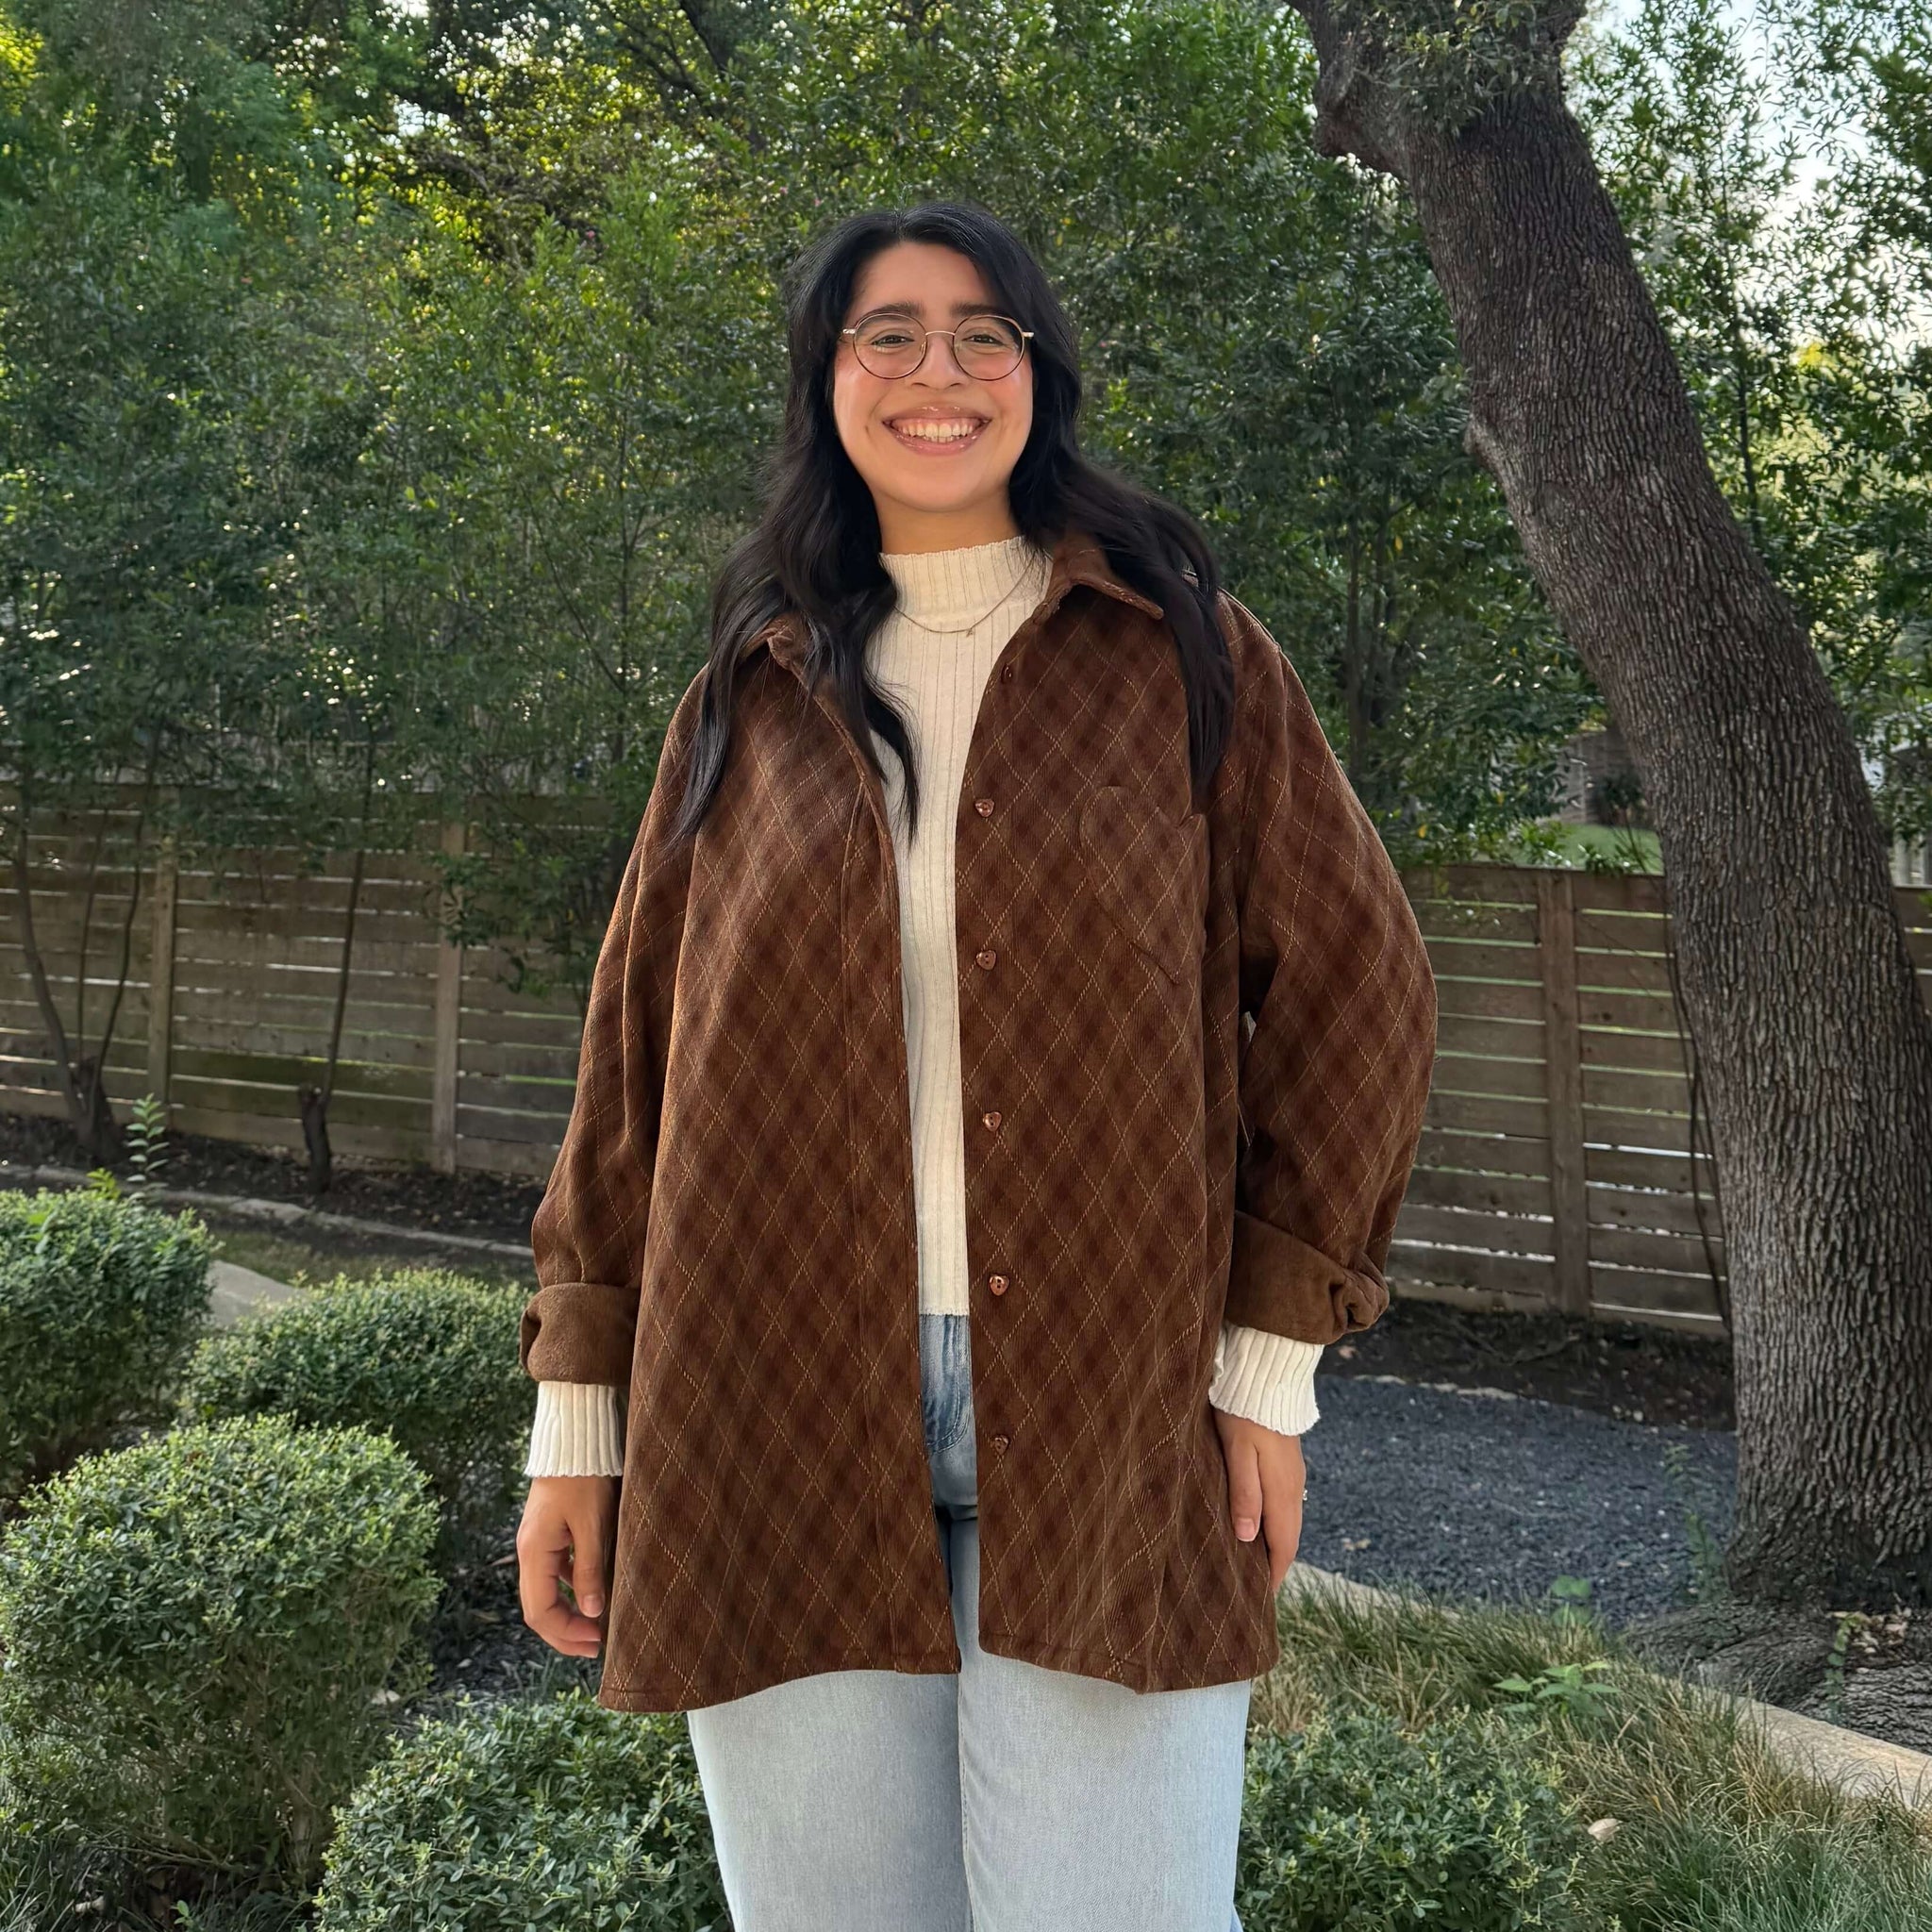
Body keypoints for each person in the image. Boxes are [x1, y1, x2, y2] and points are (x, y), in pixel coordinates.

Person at [513, 199, 1438, 1932]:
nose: (936, 371)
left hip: (1115, 1401)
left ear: (1036, 373)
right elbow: (633, 1064)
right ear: (828, 379)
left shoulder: (1186, 657)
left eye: (980, 333)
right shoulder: (750, 690)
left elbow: (1360, 989)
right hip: (767, 1396)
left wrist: (1268, 1365)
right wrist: (581, 1414)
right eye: (889, 334)